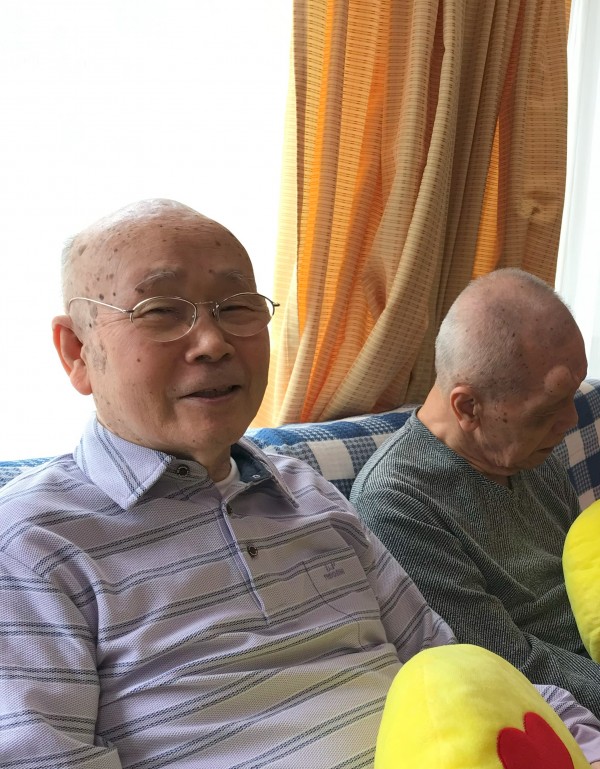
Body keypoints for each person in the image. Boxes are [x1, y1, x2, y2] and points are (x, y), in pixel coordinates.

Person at [0, 207, 598, 769]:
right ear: (77, 352)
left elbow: (468, 674)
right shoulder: (32, 543)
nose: (212, 342)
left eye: (237, 307)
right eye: (160, 310)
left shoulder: (309, 496)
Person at [351, 267, 600, 723]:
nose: (570, 420)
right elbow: (505, 662)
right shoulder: (396, 502)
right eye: (548, 408)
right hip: (554, 713)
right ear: (468, 407)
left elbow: (583, 573)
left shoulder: (526, 449)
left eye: (573, 393)